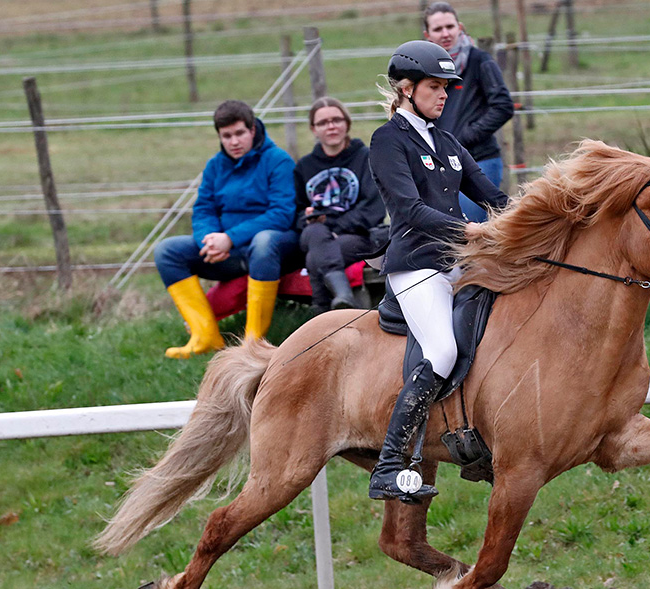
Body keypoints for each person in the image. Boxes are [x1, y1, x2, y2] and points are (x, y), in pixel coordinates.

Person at [367, 40, 509, 502]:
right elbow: (408, 209)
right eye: (435, 86)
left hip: (457, 262)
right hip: (417, 266)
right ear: (406, 90)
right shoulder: (388, 141)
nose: (445, 94)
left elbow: (493, 196)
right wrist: (468, 231)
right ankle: (388, 466)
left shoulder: (446, 142)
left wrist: (544, 217)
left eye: (447, 87)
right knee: (443, 352)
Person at [154, 100, 298, 358]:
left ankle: (253, 341)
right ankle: (205, 337)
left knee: (265, 241)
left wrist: (229, 239)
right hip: (224, 252)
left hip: (272, 250)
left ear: (252, 129)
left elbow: (281, 214)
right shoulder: (215, 166)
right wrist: (207, 241)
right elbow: (203, 210)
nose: (234, 142)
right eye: (226, 136)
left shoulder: (278, 161)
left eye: (239, 133)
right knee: (167, 250)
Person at [423, 2, 514, 223]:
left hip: (478, 160)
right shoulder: (423, 69)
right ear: (427, 35)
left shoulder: (479, 61)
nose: (445, 33)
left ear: (460, 27)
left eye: (450, 26)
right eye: (438, 29)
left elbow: (503, 105)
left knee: (469, 232)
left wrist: (464, 137)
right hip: (436, 164)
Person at [294, 97, 386, 311]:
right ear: (313, 129)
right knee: (314, 232)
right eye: (323, 122)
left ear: (347, 123)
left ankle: (321, 310)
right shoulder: (304, 167)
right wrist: (307, 217)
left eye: (336, 119)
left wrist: (333, 228)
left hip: (357, 236)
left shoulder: (367, 158)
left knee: (316, 253)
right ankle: (342, 297)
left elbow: (374, 209)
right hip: (317, 234)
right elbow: (296, 214)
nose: (331, 126)